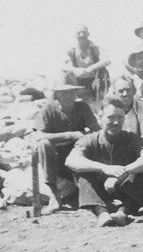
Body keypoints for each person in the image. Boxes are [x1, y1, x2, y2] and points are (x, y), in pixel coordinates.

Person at [65, 96, 143, 227]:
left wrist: (124, 172)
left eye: (120, 118)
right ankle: (101, 213)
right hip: (99, 191)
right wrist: (104, 168)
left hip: (126, 189)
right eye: (110, 117)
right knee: (81, 172)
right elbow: (71, 160)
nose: (116, 122)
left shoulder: (131, 138)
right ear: (100, 117)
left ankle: (123, 213)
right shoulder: (90, 139)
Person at [34, 74, 100, 212]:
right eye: (64, 93)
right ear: (57, 94)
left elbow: (97, 131)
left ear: (76, 93)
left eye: (71, 92)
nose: (68, 96)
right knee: (43, 144)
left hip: (77, 154)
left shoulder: (82, 107)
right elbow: (39, 136)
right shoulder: (49, 109)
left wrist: (84, 136)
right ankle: (54, 193)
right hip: (57, 159)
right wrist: (68, 135)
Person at [62, 24, 111, 105]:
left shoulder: (95, 48)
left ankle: (102, 100)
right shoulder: (72, 50)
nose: (82, 35)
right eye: (79, 33)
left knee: (103, 71)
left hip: (94, 80)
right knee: (63, 74)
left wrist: (91, 68)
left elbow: (107, 60)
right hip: (78, 80)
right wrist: (75, 70)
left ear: (88, 34)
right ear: (75, 35)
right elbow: (62, 65)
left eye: (84, 32)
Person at [112, 77, 143, 146]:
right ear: (114, 93)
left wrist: (132, 146)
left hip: (138, 148)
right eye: (121, 91)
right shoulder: (109, 110)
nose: (125, 94)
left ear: (134, 91)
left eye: (128, 90)